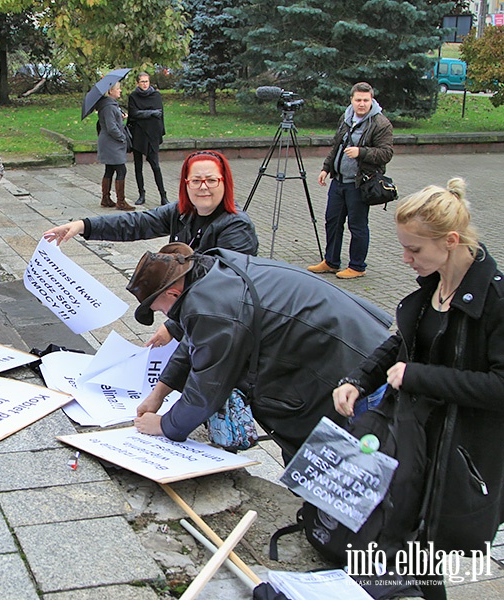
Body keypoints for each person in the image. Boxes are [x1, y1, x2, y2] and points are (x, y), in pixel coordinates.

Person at [333, 178, 504, 599]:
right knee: (409, 540)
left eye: (415, 250)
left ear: (450, 241)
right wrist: (358, 379)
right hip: (414, 436)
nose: (405, 259)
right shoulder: (433, 283)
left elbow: (500, 387)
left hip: (460, 450)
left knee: (428, 548)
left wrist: (417, 376)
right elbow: (402, 343)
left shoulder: (496, 299)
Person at [129, 243, 392, 457]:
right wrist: (160, 392)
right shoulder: (210, 272)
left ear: (174, 294)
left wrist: (166, 425)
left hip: (357, 371)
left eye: (158, 308)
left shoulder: (210, 305)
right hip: (355, 345)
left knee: (350, 477)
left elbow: (208, 387)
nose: (163, 315)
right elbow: (194, 340)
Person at [43, 150, 258, 347]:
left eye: (212, 180)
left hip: (221, 326)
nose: (203, 187)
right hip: (191, 318)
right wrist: (84, 226)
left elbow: (224, 288)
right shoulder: (183, 212)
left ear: (224, 183)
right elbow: (138, 223)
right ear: (186, 184)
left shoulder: (236, 227)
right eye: (196, 180)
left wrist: (173, 327)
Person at [308, 82, 394, 279]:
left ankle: (357, 266)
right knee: (332, 221)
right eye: (358, 100)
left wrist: (361, 152)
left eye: (365, 100)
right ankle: (331, 261)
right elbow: (336, 146)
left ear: (371, 100)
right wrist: (326, 168)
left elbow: (386, 153)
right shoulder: (346, 118)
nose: (361, 104)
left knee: (357, 225)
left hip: (360, 184)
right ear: (351, 100)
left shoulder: (381, 124)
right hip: (338, 181)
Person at [128, 71, 167, 206]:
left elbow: (160, 114)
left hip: (152, 135)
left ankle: (163, 195)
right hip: (138, 134)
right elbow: (133, 113)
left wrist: (143, 114)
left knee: (156, 166)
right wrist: (150, 113)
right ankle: (141, 194)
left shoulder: (156, 95)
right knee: (138, 167)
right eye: (142, 82)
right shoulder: (133, 96)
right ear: (137, 83)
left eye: (147, 81)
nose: (145, 84)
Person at [95, 80, 134, 211]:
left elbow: (111, 121)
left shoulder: (110, 105)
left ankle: (105, 199)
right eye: (118, 88)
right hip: (111, 143)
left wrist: (120, 117)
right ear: (110, 91)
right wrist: (122, 137)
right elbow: (111, 128)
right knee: (121, 170)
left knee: (110, 169)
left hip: (110, 142)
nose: (120, 90)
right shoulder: (109, 107)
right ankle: (121, 201)